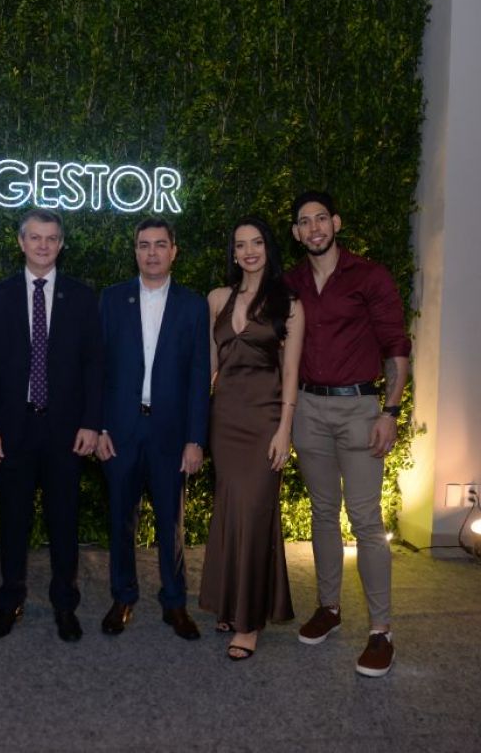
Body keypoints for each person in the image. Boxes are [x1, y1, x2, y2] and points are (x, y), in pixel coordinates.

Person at [285, 190, 411, 677]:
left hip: (360, 408)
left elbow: (396, 346)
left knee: (365, 520)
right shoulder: (291, 282)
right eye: (304, 222)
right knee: (321, 512)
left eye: (321, 219)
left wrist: (391, 412)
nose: (314, 228)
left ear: (335, 223)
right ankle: (329, 607)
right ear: (296, 233)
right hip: (308, 409)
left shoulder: (369, 276)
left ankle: (381, 631)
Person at [0, 208, 103, 642]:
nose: (43, 245)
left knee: (63, 521)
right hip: (13, 428)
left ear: (61, 244)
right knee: (12, 521)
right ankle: (9, 601)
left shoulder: (82, 297)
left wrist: (91, 423)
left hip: (65, 430)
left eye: (51, 238)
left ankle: (65, 604)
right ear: (21, 242)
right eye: (35, 237)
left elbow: (94, 365)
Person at [97, 218, 209, 641]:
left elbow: (199, 376)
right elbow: (98, 370)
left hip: (170, 434)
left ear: (174, 251)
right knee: (120, 520)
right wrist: (99, 427)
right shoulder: (111, 299)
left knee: (170, 524)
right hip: (120, 431)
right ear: (135, 252)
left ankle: (174, 603)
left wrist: (195, 439)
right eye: (144, 245)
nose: (152, 253)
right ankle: (123, 597)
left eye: (160, 245)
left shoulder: (193, 305)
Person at [198, 217, 304, 660]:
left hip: (265, 419)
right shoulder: (216, 298)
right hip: (225, 418)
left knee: (256, 512)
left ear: (268, 248)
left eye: (256, 242)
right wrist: (195, 422)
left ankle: (249, 621)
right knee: (229, 508)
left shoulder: (289, 303)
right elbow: (210, 366)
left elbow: (291, 372)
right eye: (240, 244)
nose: (249, 251)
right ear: (233, 253)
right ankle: (229, 604)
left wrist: (284, 429)